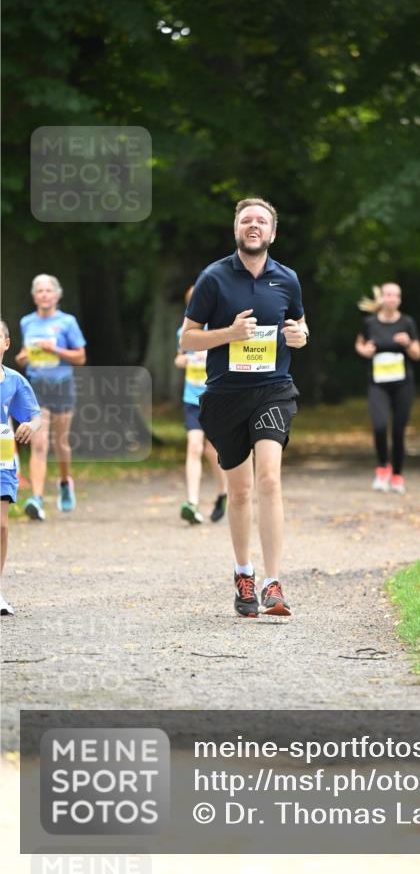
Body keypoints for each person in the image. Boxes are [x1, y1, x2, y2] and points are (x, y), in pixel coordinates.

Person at [180, 197, 308, 617]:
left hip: (273, 390)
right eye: (246, 220)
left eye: (262, 221)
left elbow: (299, 324)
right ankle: (243, 573)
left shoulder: (287, 278)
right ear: (236, 229)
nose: (254, 226)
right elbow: (187, 338)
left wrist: (300, 336)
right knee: (239, 492)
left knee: (269, 479)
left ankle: (273, 582)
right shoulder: (213, 278)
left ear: (273, 232)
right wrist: (229, 334)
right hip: (225, 396)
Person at [15, 275, 86, 519]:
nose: (44, 294)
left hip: (62, 386)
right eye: (40, 291)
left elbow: (81, 357)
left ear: (57, 295)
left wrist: (54, 349)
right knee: (39, 443)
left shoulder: (67, 322)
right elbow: (24, 354)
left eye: (48, 290)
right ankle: (36, 499)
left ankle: (65, 482)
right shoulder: (27, 322)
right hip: (37, 388)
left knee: (60, 443)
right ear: (34, 296)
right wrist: (22, 358)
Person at [355, 283, 420, 494]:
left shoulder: (407, 322)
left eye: (396, 295)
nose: (392, 298)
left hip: (403, 384)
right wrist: (365, 350)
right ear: (382, 298)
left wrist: (408, 343)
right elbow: (359, 344)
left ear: (400, 300)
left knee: (399, 430)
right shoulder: (370, 322)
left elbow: (418, 354)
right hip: (378, 384)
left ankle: (397, 476)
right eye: (388, 294)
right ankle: (383, 467)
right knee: (380, 426)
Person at [175, 286, 228, 525]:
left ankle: (223, 493)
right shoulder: (184, 330)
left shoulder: (220, 329)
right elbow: (178, 357)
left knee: (212, 450)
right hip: (191, 399)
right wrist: (185, 360)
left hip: (216, 398)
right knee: (194, 447)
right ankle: (192, 503)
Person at [0, 320, 42, 615]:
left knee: (1, 526)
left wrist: (30, 425)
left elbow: (35, 416)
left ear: (6, 343)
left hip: (2, 461)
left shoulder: (14, 381)